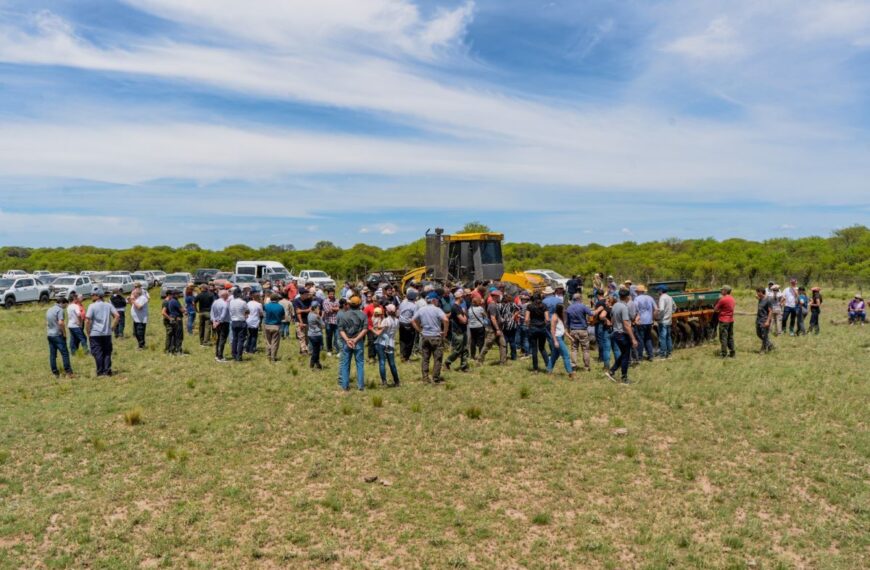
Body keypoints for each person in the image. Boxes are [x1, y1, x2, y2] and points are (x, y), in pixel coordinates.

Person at [412, 291, 449, 383]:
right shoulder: (437, 309)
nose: (438, 302)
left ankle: (425, 378)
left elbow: (413, 320)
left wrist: (420, 330)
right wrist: (445, 332)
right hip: (436, 336)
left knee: (425, 358)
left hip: (425, 336)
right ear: (434, 300)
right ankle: (435, 379)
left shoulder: (421, 309)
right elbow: (446, 319)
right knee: (437, 359)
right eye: (437, 300)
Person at [606, 288, 638, 384]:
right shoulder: (624, 307)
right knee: (626, 357)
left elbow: (611, 320)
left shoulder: (615, 305)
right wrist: (633, 339)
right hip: (622, 334)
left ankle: (612, 371)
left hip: (616, 333)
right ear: (628, 297)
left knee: (624, 354)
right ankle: (624, 378)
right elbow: (626, 324)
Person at [85, 291, 119, 376]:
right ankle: (107, 370)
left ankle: (100, 371)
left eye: (92, 295)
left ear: (97, 296)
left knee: (97, 352)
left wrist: (88, 332)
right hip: (107, 333)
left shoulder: (92, 306)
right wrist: (113, 327)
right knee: (107, 352)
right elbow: (117, 316)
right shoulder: (108, 305)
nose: (91, 296)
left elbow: (87, 320)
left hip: (95, 333)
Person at [338, 296, 367, 391]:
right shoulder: (363, 315)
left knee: (345, 364)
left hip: (347, 343)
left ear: (350, 304)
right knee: (360, 364)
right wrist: (356, 339)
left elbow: (341, 330)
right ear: (359, 304)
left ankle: (345, 386)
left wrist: (347, 340)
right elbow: (365, 330)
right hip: (358, 342)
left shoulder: (344, 315)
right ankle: (360, 386)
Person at [373, 304, 400, 386]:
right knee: (392, 363)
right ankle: (397, 381)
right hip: (391, 343)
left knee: (382, 362)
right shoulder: (397, 321)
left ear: (387, 311)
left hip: (382, 343)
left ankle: (384, 381)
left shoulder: (386, 320)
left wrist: (370, 328)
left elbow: (378, 332)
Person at [565, 293, 593, 371]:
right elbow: (591, 313)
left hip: (573, 330)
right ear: (579, 298)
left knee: (574, 349)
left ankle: (573, 365)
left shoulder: (569, 308)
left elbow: (567, 322)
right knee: (585, 349)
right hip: (583, 330)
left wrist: (568, 333)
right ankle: (586, 367)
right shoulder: (583, 306)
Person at [46, 296, 73, 378]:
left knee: (53, 355)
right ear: (62, 303)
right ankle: (69, 372)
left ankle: (55, 373)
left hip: (50, 334)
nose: (65, 307)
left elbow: (47, 323)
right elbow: (61, 323)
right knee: (65, 353)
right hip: (57, 335)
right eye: (65, 305)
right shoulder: (60, 310)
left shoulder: (49, 309)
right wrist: (64, 333)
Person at [546, 303, 574, 378]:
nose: (564, 310)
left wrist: (570, 337)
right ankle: (570, 373)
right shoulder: (554, 317)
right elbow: (552, 330)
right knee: (566, 355)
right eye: (563, 309)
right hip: (557, 338)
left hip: (561, 337)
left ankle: (549, 370)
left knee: (554, 355)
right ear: (559, 310)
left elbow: (563, 330)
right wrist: (555, 341)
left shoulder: (561, 316)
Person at [479, 291, 507, 365]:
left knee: (503, 344)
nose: (500, 297)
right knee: (488, 345)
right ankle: (479, 361)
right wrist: (497, 329)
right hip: (493, 330)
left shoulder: (494, 305)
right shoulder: (492, 306)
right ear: (496, 296)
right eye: (499, 296)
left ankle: (503, 362)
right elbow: (493, 318)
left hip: (498, 329)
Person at [445, 289, 469, 372]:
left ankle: (464, 366)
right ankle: (447, 362)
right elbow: (463, 321)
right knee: (458, 350)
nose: (463, 298)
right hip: (458, 332)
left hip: (463, 331)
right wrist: (465, 313)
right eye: (462, 297)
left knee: (465, 349)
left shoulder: (458, 307)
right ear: (459, 297)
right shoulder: (456, 307)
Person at [524, 293, 550, 372]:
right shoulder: (544, 306)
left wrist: (528, 326)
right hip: (542, 328)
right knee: (542, 348)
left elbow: (526, 319)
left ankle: (535, 369)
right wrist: (544, 324)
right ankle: (549, 367)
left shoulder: (530, 306)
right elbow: (547, 319)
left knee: (534, 349)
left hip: (533, 328)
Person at [633, 284, 657, 361]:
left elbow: (634, 310)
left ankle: (639, 357)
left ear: (638, 291)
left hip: (640, 322)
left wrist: (635, 319)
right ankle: (651, 356)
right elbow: (656, 309)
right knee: (648, 338)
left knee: (640, 339)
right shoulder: (650, 298)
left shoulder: (636, 299)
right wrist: (653, 318)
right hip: (649, 322)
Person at [713, 285, 736, 358]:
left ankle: (724, 354)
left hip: (723, 321)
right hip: (730, 320)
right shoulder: (732, 299)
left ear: (725, 291)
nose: (721, 291)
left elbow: (715, 309)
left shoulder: (723, 299)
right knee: (730, 337)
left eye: (722, 290)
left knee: (723, 337)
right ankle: (732, 353)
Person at [592, 290, 612, 368]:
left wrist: (593, 319)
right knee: (602, 340)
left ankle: (601, 357)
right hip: (603, 323)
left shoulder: (600, 302)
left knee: (600, 340)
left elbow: (597, 313)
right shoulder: (605, 301)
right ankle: (603, 356)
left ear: (597, 295)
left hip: (599, 323)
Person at [398, 290, 418, 362]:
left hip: (401, 323)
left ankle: (402, 355)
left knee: (402, 340)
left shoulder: (402, 303)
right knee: (409, 341)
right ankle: (406, 358)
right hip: (409, 325)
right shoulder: (414, 306)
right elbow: (415, 317)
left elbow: (399, 311)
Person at [228, 290, 249, 361]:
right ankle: (239, 356)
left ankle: (234, 354)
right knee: (241, 339)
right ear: (240, 294)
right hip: (241, 321)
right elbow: (247, 311)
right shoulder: (243, 302)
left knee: (234, 339)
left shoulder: (231, 302)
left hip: (233, 321)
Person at [656, 286, 676, 358]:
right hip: (669, 320)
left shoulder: (662, 298)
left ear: (661, 291)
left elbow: (661, 309)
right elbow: (675, 307)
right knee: (668, 337)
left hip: (663, 321)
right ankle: (669, 353)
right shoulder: (670, 297)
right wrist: (670, 313)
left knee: (662, 338)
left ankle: (663, 354)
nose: (657, 292)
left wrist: (659, 317)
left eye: (658, 290)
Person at [211, 290, 230, 362]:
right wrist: (218, 322)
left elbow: (212, 312)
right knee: (222, 339)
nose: (228, 296)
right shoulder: (225, 304)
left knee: (218, 339)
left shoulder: (215, 302)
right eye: (227, 295)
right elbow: (223, 315)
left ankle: (217, 355)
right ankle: (220, 356)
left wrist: (213, 321)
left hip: (216, 322)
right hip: (223, 323)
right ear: (224, 295)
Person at [499, 292, 520, 360]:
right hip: (512, 324)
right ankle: (514, 356)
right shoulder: (513, 304)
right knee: (512, 341)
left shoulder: (500, 305)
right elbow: (518, 310)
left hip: (504, 324)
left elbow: (499, 314)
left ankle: (504, 355)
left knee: (505, 341)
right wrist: (513, 316)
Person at [467, 295, 488, 361]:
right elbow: (485, 315)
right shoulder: (480, 308)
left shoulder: (470, 309)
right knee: (481, 341)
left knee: (473, 341)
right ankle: (481, 356)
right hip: (480, 326)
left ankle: (472, 356)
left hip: (472, 327)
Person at [293, 289, 313, 355]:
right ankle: (304, 350)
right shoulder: (296, 301)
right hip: (299, 321)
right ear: (301, 294)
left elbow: (310, 309)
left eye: (307, 294)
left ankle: (304, 349)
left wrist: (302, 310)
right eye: (306, 294)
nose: (307, 295)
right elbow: (298, 312)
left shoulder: (309, 300)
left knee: (307, 337)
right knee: (301, 336)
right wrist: (301, 322)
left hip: (308, 320)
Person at [755, 287, 775, 352]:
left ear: (761, 292)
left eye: (758, 292)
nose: (757, 293)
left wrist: (767, 321)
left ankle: (763, 350)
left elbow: (771, 311)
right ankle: (770, 345)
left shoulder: (768, 300)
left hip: (765, 320)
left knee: (764, 335)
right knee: (758, 334)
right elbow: (757, 297)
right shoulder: (760, 299)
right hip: (758, 320)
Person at [322, 289, 340, 355]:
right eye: (330, 294)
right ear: (328, 294)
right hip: (328, 321)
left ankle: (338, 350)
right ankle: (329, 350)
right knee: (329, 337)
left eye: (333, 294)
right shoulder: (325, 301)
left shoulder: (337, 300)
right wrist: (336, 308)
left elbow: (340, 309)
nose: (332, 295)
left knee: (337, 337)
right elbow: (327, 310)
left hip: (336, 321)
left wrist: (333, 308)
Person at [307, 302, 325, 369]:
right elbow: (323, 325)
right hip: (316, 334)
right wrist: (320, 317)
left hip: (310, 334)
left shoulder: (309, 314)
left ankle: (317, 364)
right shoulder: (316, 316)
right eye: (318, 307)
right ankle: (312, 363)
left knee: (315, 350)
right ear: (315, 308)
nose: (319, 309)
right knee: (316, 351)